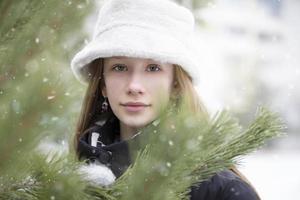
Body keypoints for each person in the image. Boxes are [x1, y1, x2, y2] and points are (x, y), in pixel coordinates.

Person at [70, 0, 260, 199]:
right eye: (119, 67)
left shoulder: (223, 192)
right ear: (103, 85)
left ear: (176, 85)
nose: (134, 86)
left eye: (153, 68)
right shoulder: (68, 182)